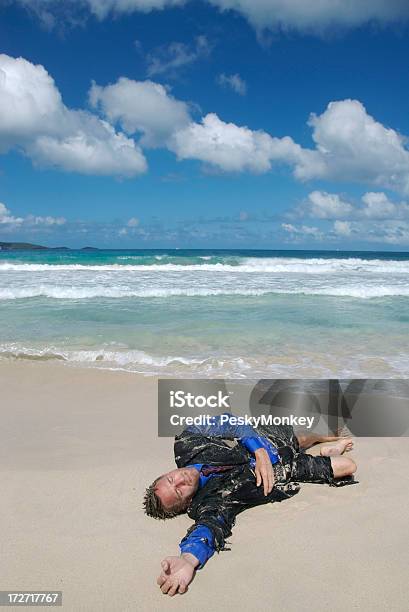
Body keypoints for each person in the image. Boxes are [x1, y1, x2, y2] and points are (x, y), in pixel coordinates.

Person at [143, 414, 357, 597]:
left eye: (171, 479)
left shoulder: (187, 443)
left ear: (167, 473)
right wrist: (187, 560)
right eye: (179, 491)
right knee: (348, 466)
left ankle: (318, 442)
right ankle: (325, 454)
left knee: (301, 436)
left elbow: (229, 421)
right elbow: (208, 528)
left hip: (266, 440)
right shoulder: (211, 502)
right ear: (186, 502)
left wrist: (258, 450)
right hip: (282, 470)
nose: (181, 480)